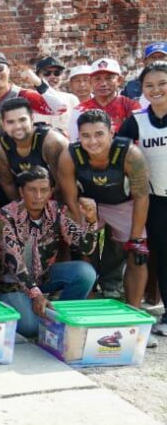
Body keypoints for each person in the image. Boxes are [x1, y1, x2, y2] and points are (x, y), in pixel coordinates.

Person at [0, 51, 66, 257]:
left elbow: (60, 107)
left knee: (16, 224)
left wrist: (36, 81)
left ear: (8, 70)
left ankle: (15, 271)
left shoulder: (23, 94)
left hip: (15, 171)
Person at [57, 109, 150, 308]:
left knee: (138, 253)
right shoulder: (70, 155)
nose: (93, 142)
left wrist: (136, 239)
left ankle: (133, 310)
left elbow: (141, 196)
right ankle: (88, 299)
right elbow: (70, 198)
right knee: (80, 243)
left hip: (123, 205)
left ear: (112, 132)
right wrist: (82, 231)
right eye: (86, 136)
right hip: (87, 204)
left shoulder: (130, 154)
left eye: (99, 134)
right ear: (78, 136)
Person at [0, 167, 99, 337]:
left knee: (85, 273)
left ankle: (60, 317)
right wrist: (35, 295)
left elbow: (85, 247)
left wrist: (92, 221)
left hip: (42, 277)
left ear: (51, 191)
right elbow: (14, 263)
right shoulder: (3, 217)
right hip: (13, 285)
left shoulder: (57, 211)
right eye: (32, 190)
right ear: (21, 191)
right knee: (30, 328)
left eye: (44, 190)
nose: (39, 196)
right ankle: (12, 305)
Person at [116, 61, 167, 336]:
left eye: (162, 83)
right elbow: (116, 150)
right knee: (164, 257)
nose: (156, 89)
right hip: (158, 200)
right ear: (142, 89)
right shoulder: (137, 120)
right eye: (150, 85)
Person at [0, 97, 69, 201]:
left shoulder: (53, 142)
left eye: (22, 120)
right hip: (28, 198)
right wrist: (22, 212)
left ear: (32, 119)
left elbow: (64, 183)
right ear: (3, 125)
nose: (17, 126)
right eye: (10, 122)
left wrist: (52, 212)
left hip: (62, 195)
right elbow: (8, 184)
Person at [67, 58, 141, 141]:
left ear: (119, 80)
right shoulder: (79, 110)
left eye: (109, 78)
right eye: (97, 79)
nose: (103, 84)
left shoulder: (132, 106)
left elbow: (140, 141)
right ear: (91, 82)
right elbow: (74, 142)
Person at [31, 56, 80, 133]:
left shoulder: (72, 100)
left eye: (57, 73)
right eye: (47, 73)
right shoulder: (30, 98)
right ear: (38, 76)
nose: (52, 76)